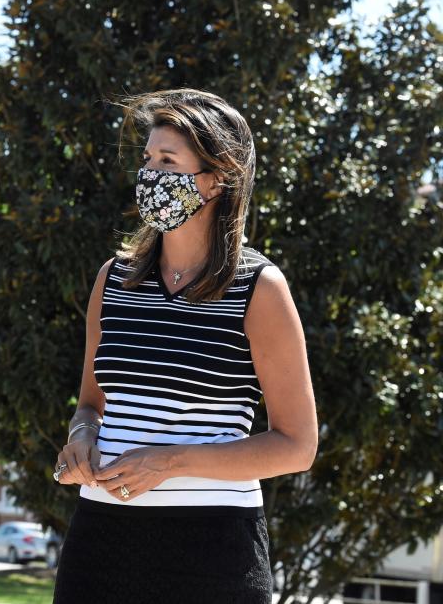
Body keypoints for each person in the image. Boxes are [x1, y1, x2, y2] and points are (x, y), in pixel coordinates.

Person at [51, 89, 317, 603]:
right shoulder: (115, 279)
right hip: (99, 543)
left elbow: (297, 446)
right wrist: (81, 437)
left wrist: (168, 462)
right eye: (148, 159)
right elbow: (90, 403)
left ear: (218, 178)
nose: (150, 174)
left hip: (213, 554)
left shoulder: (258, 288)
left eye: (168, 161)